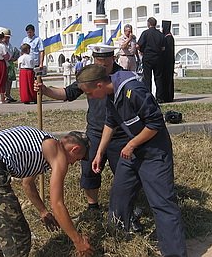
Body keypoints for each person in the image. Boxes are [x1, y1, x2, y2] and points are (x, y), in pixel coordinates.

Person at [76, 64, 187, 257]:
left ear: (100, 85)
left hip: (153, 154)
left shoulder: (134, 91)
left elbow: (155, 123)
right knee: (119, 196)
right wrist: (99, 152)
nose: (89, 97)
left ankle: (174, 252)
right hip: (132, 152)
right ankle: (117, 242)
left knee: (162, 204)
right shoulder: (110, 95)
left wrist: (132, 144)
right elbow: (111, 122)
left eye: (89, 93)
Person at [0, 126, 94, 257]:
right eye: (77, 159)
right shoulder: (57, 153)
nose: (72, 164)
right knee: (18, 237)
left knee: (3, 228)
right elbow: (57, 204)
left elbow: (27, 184)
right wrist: (78, 240)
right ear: (75, 149)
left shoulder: (41, 147)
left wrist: (43, 211)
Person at [34, 44, 130, 212]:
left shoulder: (122, 76)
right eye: (97, 62)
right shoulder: (89, 76)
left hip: (119, 134)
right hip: (94, 132)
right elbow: (67, 93)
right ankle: (93, 206)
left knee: (124, 173)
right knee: (89, 171)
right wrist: (45, 90)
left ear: (112, 59)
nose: (101, 67)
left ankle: (127, 207)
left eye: (105, 63)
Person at [137, 17, 166, 104]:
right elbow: (163, 48)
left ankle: (148, 97)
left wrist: (141, 51)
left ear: (148, 24)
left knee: (147, 78)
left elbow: (139, 45)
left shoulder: (145, 33)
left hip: (148, 58)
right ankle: (160, 97)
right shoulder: (161, 34)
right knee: (159, 78)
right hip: (158, 58)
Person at [3, 29, 19, 103]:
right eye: (6, 37)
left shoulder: (10, 45)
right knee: (5, 80)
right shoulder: (2, 45)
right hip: (5, 63)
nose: (8, 39)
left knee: (10, 80)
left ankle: (8, 94)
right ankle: (5, 95)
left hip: (10, 63)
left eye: (8, 37)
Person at [163, 30, 175, 103]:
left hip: (167, 62)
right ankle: (169, 96)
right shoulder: (170, 37)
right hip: (170, 61)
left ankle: (167, 96)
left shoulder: (168, 38)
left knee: (167, 80)